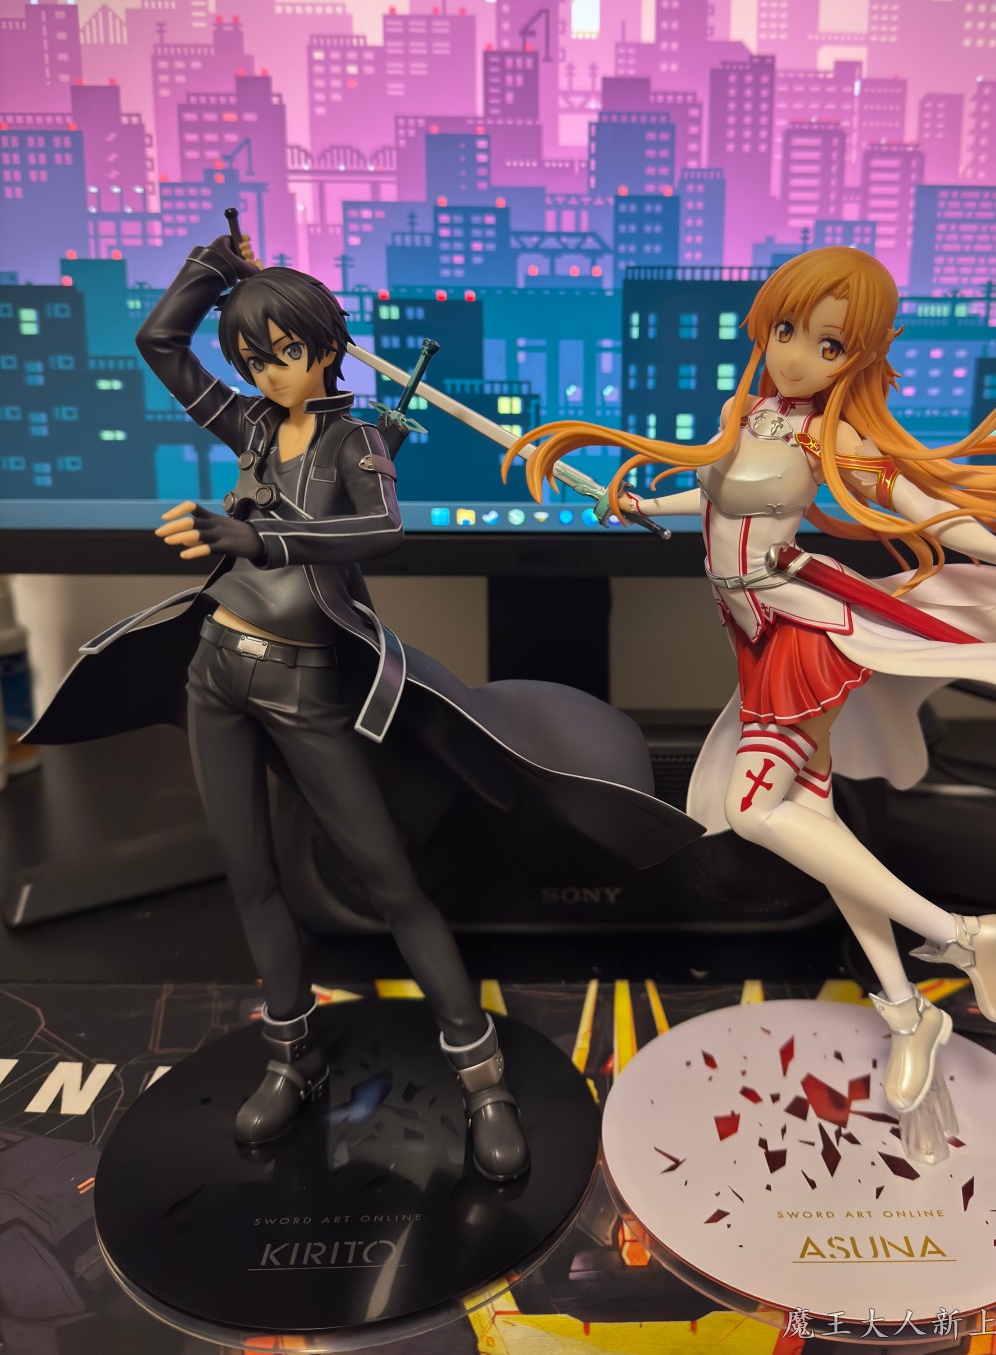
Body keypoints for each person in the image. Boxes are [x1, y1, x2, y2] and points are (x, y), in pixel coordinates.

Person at [26, 232, 702, 1179]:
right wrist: (213, 270)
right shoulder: (252, 425)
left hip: (305, 681)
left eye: (283, 352)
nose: (267, 372)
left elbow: (381, 531)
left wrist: (255, 538)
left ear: (325, 348)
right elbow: (158, 344)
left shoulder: (355, 441)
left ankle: (483, 1081)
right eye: (252, 357)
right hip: (216, 672)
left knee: (390, 882)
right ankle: (291, 1058)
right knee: (251, 877)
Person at [507, 246, 996, 1118]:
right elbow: (719, 500)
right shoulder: (754, 415)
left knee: (755, 812)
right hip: (751, 634)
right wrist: (641, 504)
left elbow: (929, 512)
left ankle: (963, 934)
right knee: (818, 824)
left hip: (800, 633)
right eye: (786, 331)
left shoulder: (833, 438)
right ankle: (908, 1012)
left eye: (827, 345)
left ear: (858, 357)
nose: (797, 356)